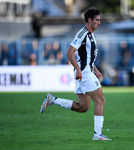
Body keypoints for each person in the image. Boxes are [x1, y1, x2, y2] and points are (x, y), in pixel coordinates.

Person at [40, 7, 111, 141]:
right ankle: (97, 135)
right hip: (84, 73)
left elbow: (86, 56)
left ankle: (53, 100)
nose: (99, 23)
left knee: (83, 107)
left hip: (87, 71)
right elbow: (69, 52)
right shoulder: (82, 33)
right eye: (97, 20)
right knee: (101, 100)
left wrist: (95, 69)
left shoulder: (91, 34)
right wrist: (78, 69)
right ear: (89, 20)